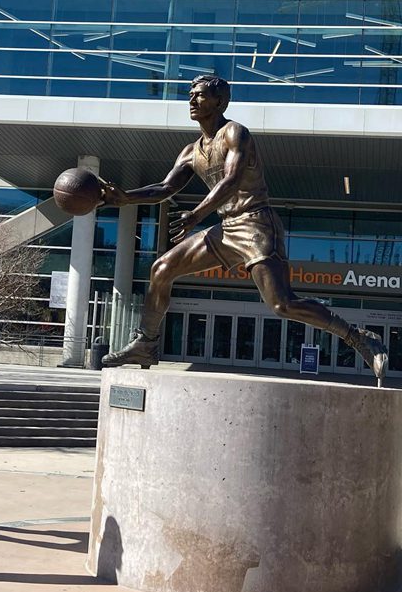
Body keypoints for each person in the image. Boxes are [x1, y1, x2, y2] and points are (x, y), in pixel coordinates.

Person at [101, 75, 389, 385]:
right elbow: (165, 187)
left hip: (256, 225)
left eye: (199, 95)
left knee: (282, 304)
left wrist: (197, 214)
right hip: (226, 228)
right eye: (190, 94)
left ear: (220, 102)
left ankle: (359, 337)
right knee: (161, 268)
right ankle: (146, 343)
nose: (192, 100)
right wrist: (125, 198)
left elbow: (231, 180)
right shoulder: (190, 151)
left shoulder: (235, 133)